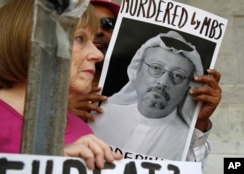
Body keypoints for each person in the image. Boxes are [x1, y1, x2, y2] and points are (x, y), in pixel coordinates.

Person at [68, 0, 221, 167]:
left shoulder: (179, 128)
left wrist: (198, 122)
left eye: (107, 24)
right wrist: (64, 115)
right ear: (137, 71)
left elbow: (191, 167)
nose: (97, 31)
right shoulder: (49, 95)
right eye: (82, 34)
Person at [0, 0, 122, 170]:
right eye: (80, 38)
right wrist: (44, 165)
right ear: (35, 39)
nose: (97, 54)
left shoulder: (83, 132)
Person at [88, 30, 222, 162]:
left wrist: (199, 123)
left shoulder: (187, 137)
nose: (163, 82)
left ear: (188, 87)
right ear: (137, 70)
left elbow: (194, 167)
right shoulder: (96, 114)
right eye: (156, 68)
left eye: (177, 76)